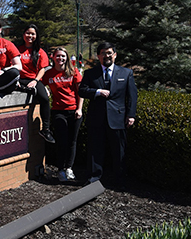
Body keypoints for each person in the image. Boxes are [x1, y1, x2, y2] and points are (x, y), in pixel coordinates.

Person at [79, 42, 138, 184]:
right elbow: (81, 91)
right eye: (103, 53)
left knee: (119, 151)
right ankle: (94, 179)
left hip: (118, 118)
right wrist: (97, 92)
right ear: (98, 56)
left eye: (109, 53)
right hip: (96, 118)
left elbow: (132, 96)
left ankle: (120, 180)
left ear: (115, 55)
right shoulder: (90, 73)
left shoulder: (126, 73)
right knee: (95, 150)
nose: (107, 56)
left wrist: (131, 115)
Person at [42, 47, 84, 181]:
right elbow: (39, 84)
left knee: (72, 141)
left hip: (74, 110)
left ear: (67, 58)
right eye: (58, 56)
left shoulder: (73, 72)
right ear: (53, 57)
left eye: (63, 56)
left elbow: (80, 92)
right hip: (58, 111)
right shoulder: (49, 74)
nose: (61, 58)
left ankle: (69, 168)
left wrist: (79, 109)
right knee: (62, 140)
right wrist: (44, 89)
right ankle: (60, 169)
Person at [17, 24, 55, 143]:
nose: (30, 36)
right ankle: (24, 89)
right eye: (28, 33)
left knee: (44, 98)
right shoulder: (17, 49)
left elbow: (42, 69)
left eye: (33, 34)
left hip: (33, 79)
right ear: (23, 35)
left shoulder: (40, 52)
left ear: (36, 36)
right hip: (19, 79)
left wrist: (36, 81)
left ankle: (46, 129)